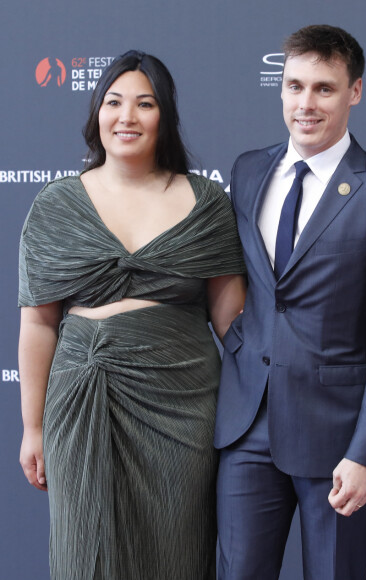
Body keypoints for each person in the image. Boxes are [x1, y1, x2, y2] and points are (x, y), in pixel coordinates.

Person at [18, 50, 246, 580]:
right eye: (114, 102)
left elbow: (232, 322)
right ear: (97, 112)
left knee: (177, 549)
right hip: (79, 401)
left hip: (182, 406)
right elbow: (38, 323)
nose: (127, 117)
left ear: (163, 115)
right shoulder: (55, 203)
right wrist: (33, 428)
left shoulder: (207, 201)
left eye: (144, 104)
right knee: (83, 552)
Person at [214, 24, 366, 580]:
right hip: (245, 427)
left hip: (336, 440)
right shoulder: (248, 170)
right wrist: (239, 341)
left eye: (324, 89)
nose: (305, 104)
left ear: (354, 91)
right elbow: (247, 286)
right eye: (294, 86)